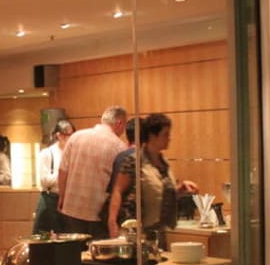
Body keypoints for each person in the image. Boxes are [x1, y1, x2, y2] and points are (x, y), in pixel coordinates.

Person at [107, 113, 198, 246]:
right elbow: (118, 190)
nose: (169, 138)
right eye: (165, 134)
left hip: (158, 229)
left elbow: (160, 193)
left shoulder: (163, 162)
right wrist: (112, 221)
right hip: (136, 230)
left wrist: (180, 189)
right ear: (152, 136)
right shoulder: (134, 161)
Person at [57, 105, 128, 238]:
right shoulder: (119, 147)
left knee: (73, 249)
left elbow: (62, 171)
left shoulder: (75, 137)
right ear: (119, 123)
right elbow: (118, 186)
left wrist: (62, 197)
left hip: (71, 209)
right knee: (96, 250)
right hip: (98, 213)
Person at [32, 119, 74, 233]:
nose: (71, 139)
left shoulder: (73, 153)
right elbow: (44, 180)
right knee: (44, 235)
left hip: (68, 201)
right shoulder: (47, 153)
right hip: (50, 198)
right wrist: (64, 175)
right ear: (59, 136)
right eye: (69, 135)